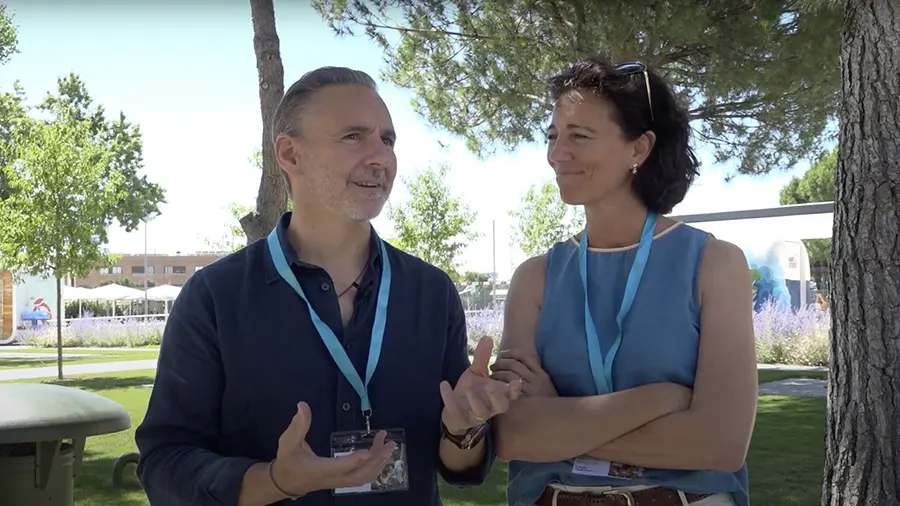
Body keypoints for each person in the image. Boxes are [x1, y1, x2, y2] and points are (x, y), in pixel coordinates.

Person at [135, 66, 520, 506]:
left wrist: (463, 428)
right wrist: (275, 480)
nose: (381, 157)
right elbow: (164, 463)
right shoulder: (215, 299)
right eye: (354, 137)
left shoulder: (431, 293)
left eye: (388, 140)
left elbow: (459, 468)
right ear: (290, 154)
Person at [490, 56, 757, 506]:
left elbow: (720, 444)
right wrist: (661, 399)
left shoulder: (715, 264)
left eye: (579, 136)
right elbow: (513, 434)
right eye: (553, 136)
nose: (557, 153)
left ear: (639, 148)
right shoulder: (534, 278)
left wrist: (559, 421)